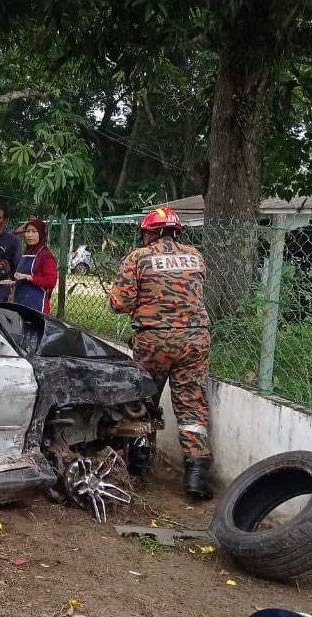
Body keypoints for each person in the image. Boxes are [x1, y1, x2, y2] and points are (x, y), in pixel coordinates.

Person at [108, 206, 213, 500]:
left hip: (153, 338)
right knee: (192, 405)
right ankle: (196, 474)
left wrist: (114, 295)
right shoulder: (195, 255)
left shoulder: (139, 257)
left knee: (141, 399)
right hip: (195, 338)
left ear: (149, 232)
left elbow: (120, 303)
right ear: (177, 231)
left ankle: (138, 461)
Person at [12, 218, 58, 314]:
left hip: (37, 305)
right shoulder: (27, 252)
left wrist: (29, 277)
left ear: (41, 233)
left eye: (34, 231)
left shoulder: (45, 255)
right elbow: (13, 234)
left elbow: (51, 281)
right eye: (27, 231)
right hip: (20, 301)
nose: (29, 235)